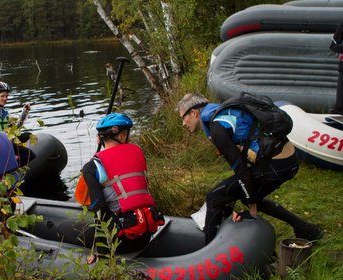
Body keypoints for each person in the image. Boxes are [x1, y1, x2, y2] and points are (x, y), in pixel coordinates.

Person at [177, 93, 323, 244]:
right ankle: (305, 229)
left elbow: (240, 168)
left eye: (183, 117)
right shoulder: (224, 113)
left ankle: (208, 253)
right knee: (242, 193)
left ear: (194, 113)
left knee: (214, 197)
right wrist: (244, 198)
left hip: (276, 166)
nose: (183, 123)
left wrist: (252, 206)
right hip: (288, 161)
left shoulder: (217, 127)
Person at [79, 113, 164, 260]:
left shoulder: (91, 167)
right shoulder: (137, 154)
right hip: (146, 234)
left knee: (66, 230)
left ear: (100, 138)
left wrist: (100, 250)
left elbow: (99, 207)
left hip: (122, 240)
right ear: (122, 136)